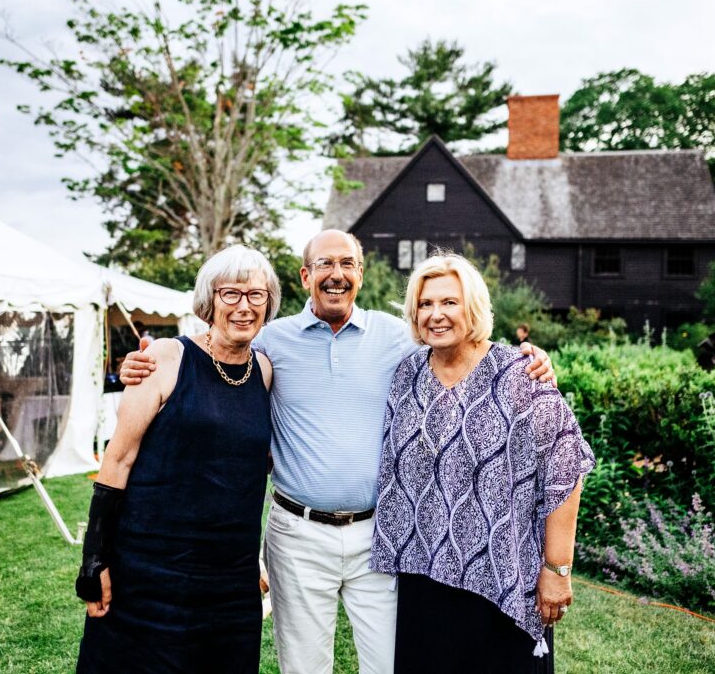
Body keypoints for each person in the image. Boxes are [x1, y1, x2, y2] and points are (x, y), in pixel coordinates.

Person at [119, 230, 556, 674]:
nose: (336, 274)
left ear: (360, 275)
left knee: (389, 664)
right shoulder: (272, 341)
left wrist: (531, 360)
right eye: (324, 264)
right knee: (304, 667)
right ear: (306, 276)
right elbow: (214, 351)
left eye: (347, 263)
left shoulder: (400, 338)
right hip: (298, 535)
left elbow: (462, 341)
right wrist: (151, 356)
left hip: (379, 535)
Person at [372, 254, 594, 673]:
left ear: (472, 307)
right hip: (426, 575)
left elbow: (566, 469)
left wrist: (557, 569)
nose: (435, 314)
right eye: (425, 304)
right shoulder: (407, 375)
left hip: (502, 574)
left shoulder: (521, 375)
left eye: (449, 302)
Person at [75, 246, 280, 674]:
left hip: (229, 579)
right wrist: (94, 560)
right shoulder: (167, 358)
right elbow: (118, 460)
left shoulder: (263, 371)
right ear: (209, 300)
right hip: (150, 573)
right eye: (231, 294)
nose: (244, 307)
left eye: (256, 295)